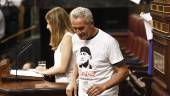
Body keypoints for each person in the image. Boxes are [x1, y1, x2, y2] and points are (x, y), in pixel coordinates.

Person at [66, 7, 129, 96]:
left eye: (81, 28)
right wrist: (72, 81)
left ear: (91, 24)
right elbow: (78, 60)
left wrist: (103, 86)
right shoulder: (75, 38)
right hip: (83, 93)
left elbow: (124, 72)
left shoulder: (108, 42)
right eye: (75, 28)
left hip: (105, 93)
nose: (78, 32)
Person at [36, 7, 75, 83]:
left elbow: (63, 68)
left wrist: (43, 72)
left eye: (49, 23)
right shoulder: (66, 37)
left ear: (56, 24)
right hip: (63, 84)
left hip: (67, 85)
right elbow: (60, 65)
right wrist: (48, 70)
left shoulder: (68, 38)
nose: (47, 27)